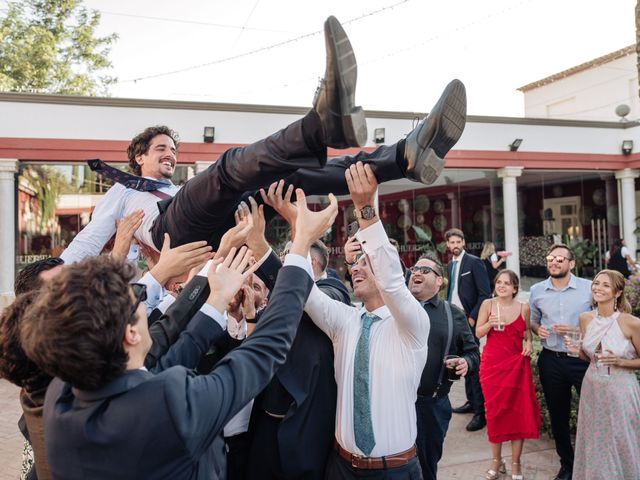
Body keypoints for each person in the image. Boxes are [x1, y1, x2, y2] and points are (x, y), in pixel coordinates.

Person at [59, 16, 467, 266]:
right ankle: (323, 128)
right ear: (138, 157)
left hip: (218, 233)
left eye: (173, 149)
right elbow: (92, 238)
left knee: (287, 178)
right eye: (161, 149)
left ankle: (402, 158)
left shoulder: (176, 188)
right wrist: (52, 274)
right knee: (226, 167)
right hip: (175, 235)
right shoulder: (123, 191)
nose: (170, 154)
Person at [18, 188, 338, 480]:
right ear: (130, 334)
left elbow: (180, 348)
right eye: (138, 305)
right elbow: (264, 350)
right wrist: (300, 246)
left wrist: (215, 298)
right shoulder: (170, 403)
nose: (149, 310)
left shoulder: (61, 394)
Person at [301, 162, 429, 479]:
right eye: (354, 265)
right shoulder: (345, 321)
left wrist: (365, 210)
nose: (355, 269)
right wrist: (299, 236)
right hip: (341, 468)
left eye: (364, 263)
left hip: (396, 470)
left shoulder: (412, 325)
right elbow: (303, 291)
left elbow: (392, 281)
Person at [407, 252, 479, 480]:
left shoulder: (453, 314)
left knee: (426, 466)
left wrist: (465, 362)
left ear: (440, 281)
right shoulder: (395, 309)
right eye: (415, 269)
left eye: (425, 270)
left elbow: (472, 352)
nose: (417, 272)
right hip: (394, 403)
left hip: (431, 407)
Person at [566, 269, 640, 480]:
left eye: (605, 285)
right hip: (593, 389)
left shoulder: (631, 323)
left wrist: (620, 361)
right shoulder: (585, 318)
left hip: (621, 391)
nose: (598, 288)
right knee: (595, 442)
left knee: (620, 440)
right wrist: (577, 351)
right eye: (596, 283)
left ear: (617, 293)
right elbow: (589, 357)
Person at [528, 244, 592, 480]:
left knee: (593, 412)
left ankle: (593, 462)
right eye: (550, 258)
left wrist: (577, 329)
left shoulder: (588, 288)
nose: (554, 262)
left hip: (582, 360)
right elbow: (533, 322)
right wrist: (538, 330)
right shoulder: (536, 290)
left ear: (571, 263)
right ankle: (567, 464)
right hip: (551, 360)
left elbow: (602, 320)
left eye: (559, 259)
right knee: (558, 415)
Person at [476, 270, 541, 480]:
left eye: (506, 283)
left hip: (516, 366)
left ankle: (515, 463)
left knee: (517, 415)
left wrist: (529, 343)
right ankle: (496, 460)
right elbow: (478, 332)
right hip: (492, 367)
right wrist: (490, 324)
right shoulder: (488, 305)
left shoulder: (524, 308)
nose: (501, 286)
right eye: (498, 282)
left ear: (515, 288)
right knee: (494, 414)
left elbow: (526, 334)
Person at [446, 228, 491, 431]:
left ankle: (481, 413)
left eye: (458, 242)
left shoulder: (474, 262)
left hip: (469, 319)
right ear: (448, 245)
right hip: (454, 319)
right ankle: (471, 402)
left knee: (473, 364)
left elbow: (484, 293)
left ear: (463, 242)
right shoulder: (450, 265)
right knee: (462, 362)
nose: (455, 245)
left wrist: (473, 317)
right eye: (452, 243)